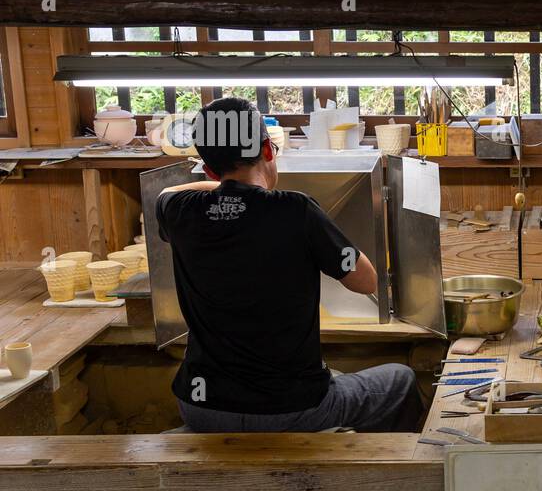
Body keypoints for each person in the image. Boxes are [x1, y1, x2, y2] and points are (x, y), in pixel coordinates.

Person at [156, 96, 424, 433]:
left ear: (209, 168)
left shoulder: (179, 211)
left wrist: (226, 192)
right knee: (400, 379)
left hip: (201, 406)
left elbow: (167, 192)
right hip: (289, 408)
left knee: (334, 380)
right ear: (268, 150)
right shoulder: (296, 210)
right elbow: (366, 282)